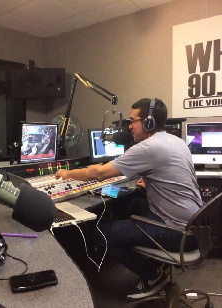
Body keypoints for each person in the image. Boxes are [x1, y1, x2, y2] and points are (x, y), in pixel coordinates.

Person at [54, 98, 202, 300]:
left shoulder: (148, 148)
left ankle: (153, 275)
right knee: (126, 204)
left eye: (133, 120)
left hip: (177, 232)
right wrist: (150, 183)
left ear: (148, 122)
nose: (130, 126)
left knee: (100, 234)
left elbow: (99, 173)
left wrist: (68, 174)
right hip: (194, 227)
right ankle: (150, 262)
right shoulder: (175, 141)